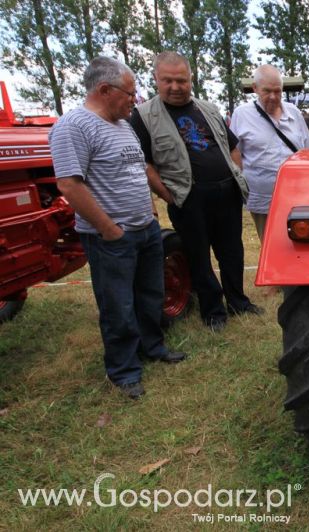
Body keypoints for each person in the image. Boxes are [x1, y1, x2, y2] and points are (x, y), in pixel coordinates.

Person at [49, 57, 186, 399]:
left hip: (145, 230)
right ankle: (124, 370)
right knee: (117, 306)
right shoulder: (73, 127)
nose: (134, 99)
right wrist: (109, 229)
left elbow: (137, 172)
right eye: (129, 92)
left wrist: (151, 213)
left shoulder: (124, 126)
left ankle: (152, 347)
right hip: (111, 237)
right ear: (105, 90)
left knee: (150, 294)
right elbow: (69, 185)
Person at [130, 51, 262, 333]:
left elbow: (233, 146)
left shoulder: (208, 108)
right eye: (168, 81)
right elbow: (145, 163)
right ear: (156, 79)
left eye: (182, 80)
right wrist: (168, 195)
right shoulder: (143, 116)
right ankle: (213, 311)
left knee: (232, 252)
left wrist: (236, 175)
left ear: (191, 79)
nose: (176, 87)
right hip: (188, 198)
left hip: (226, 192)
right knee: (198, 255)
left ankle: (238, 301)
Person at [229, 64, 309, 240]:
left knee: (302, 242)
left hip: (298, 197)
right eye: (267, 91)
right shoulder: (242, 114)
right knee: (271, 244)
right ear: (255, 88)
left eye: (278, 91)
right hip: (263, 199)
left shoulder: (294, 112)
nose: (273, 97)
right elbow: (235, 154)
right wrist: (241, 187)